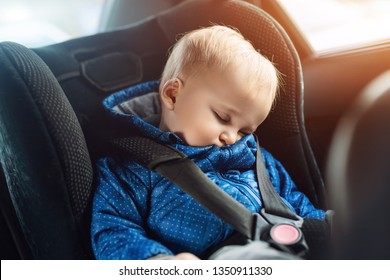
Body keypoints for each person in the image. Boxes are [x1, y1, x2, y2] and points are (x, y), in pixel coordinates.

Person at [91, 25, 326, 260]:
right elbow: (113, 230)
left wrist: (324, 227)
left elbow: (295, 201)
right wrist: (157, 260)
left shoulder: (256, 159)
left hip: (292, 245)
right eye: (223, 118)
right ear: (173, 95)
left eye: (245, 131)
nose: (232, 137)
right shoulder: (130, 169)